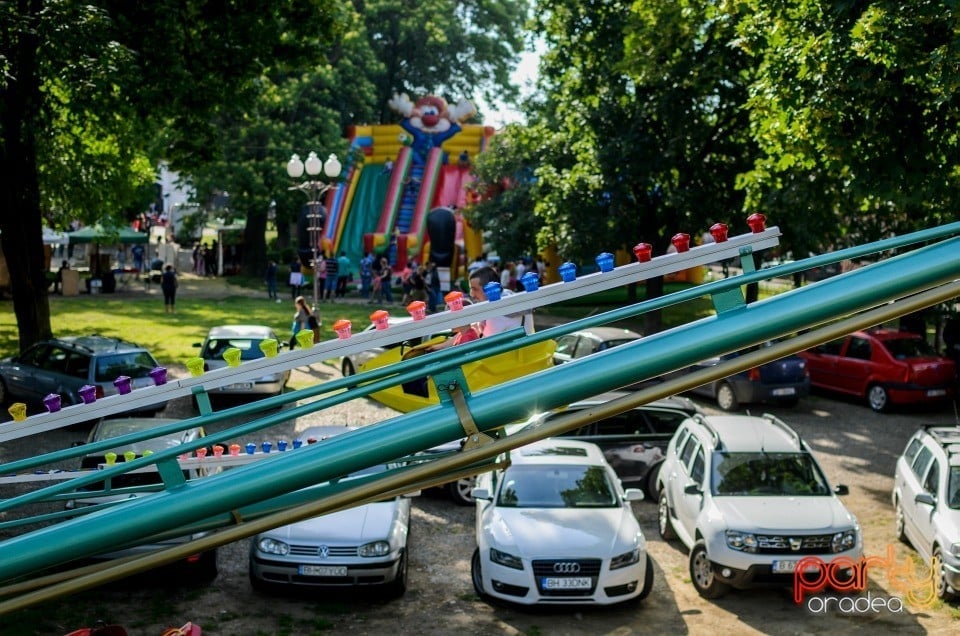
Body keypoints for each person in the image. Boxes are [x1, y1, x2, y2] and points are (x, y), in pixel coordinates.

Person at [469, 265, 529, 336]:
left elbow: (485, 343)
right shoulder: (508, 294)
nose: (471, 294)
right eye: (471, 289)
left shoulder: (496, 312)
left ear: (489, 289)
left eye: (475, 289)